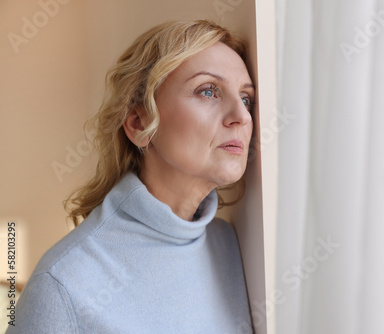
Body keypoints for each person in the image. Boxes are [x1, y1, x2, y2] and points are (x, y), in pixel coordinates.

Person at [8, 20, 255, 333]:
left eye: (246, 99)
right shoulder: (63, 284)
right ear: (139, 123)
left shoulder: (231, 246)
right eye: (208, 91)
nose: (242, 116)